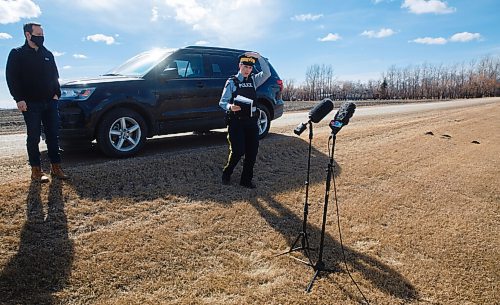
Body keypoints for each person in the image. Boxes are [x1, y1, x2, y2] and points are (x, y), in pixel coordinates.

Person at [5, 22, 68, 183]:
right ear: (28, 35)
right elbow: (12, 78)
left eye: (42, 35)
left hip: (50, 102)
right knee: (33, 137)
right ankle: (36, 171)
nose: (41, 38)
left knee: (53, 135)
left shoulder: (48, 54)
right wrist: (18, 98)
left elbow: (55, 75)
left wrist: (56, 94)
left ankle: (56, 168)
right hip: (30, 104)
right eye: (38, 35)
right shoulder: (17, 54)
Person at [219, 51, 271, 189]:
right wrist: (230, 106)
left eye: (250, 68)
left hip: (251, 122)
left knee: (252, 152)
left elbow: (267, 73)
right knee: (238, 151)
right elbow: (222, 102)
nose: (248, 70)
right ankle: (227, 172)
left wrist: (260, 57)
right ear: (239, 66)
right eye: (245, 67)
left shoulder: (253, 80)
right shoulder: (232, 81)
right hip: (236, 122)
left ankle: (246, 180)